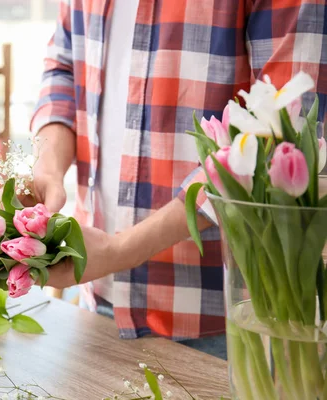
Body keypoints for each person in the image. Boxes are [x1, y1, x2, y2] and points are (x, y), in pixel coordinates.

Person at [29, 0, 327, 359]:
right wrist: (48, 170)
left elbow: (285, 129)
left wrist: (120, 251)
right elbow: (63, 70)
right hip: (96, 299)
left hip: (231, 323)